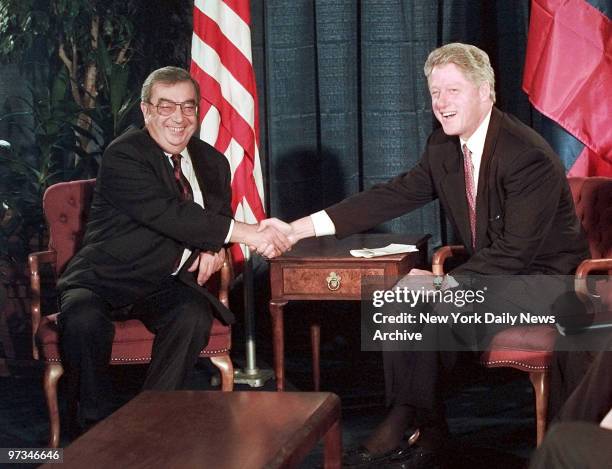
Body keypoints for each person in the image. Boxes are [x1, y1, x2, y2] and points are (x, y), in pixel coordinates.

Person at [263, 43, 589, 468]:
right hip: (496, 277)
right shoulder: (443, 146)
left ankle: (405, 417)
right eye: (435, 92)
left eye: (452, 91)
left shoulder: (524, 154)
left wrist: (443, 281)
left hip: (548, 283)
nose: (441, 103)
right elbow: (391, 196)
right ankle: (429, 428)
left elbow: (515, 251)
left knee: (430, 298)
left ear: (485, 93)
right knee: (398, 297)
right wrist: (298, 228)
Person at [57, 66, 290, 429]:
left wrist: (216, 248)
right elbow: (171, 213)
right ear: (146, 111)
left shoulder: (213, 162)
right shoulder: (126, 154)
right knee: (83, 320)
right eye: (166, 107)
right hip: (104, 277)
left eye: (188, 107)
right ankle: (93, 429)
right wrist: (251, 234)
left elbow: (215, 219)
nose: (179, 119)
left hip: (162, 281)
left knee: (192, 315)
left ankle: (152, 421)